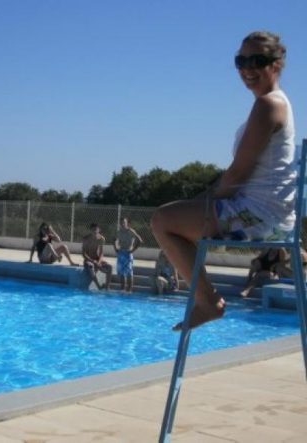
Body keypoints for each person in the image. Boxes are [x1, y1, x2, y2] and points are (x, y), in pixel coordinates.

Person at [151, 31, 296, 330]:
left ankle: (209, 302)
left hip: (259, 215)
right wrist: (198, 205)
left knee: (162, 221)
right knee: (179, 219)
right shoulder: (274, 103)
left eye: (257, 60)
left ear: (276, 64)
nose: (247, 68)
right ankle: (205, 298)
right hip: (271, 214)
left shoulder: (268, 105)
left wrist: (200, 203)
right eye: (241, 61)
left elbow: (238, 174)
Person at [114, 218, 143, 292]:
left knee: (129, 273)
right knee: (122, 273)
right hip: (121, 253)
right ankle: (122, 289)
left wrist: (133, 250)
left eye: (124, 222)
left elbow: (140, 240)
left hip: (128, 253)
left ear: (127, 223)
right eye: (121, 223)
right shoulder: (119, 232)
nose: (122, 224)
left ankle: (129, 290)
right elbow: (113, 239)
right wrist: (116, 249)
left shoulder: (131, 231)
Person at [82, 223, 113, 290]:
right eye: (93, 230)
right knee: (91, 266)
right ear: (90, 230)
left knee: (110, 267)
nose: (95, 231)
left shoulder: (101, 239)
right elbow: (84, 254)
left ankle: (107, 287)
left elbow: (101, 253)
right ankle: (99, 286)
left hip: (97, 259)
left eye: (96, 229)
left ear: (99, 230)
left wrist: (99, 262)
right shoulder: (86, 239)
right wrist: (93, 261)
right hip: (88, 260)